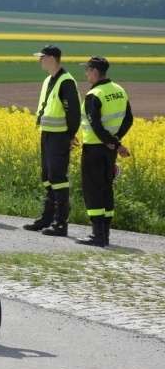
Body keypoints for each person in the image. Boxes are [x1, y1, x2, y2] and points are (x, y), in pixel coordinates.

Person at [23, 45, 81, 237]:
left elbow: (73, 112)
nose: (40, 60)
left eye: (42, 57)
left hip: (59, 136)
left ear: (51, 58)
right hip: (47, 134)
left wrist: (70, 135)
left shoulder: (66, 81)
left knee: (58, 177)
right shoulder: (49, 79)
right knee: (47, 177)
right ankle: (47, 219)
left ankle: (61, 223)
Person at [75, 57, 133, 247]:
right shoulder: (119, 90)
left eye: (87, 70)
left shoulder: (95, 94)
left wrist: (111, 142)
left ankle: (97, 235)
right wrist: (115, 141)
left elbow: (96, 125)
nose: (85, 73)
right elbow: (129, 119)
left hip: (94, 148)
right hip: (109, 150)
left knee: (93, 189)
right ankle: (105, 233)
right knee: (106, 187)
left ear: (95, 71)